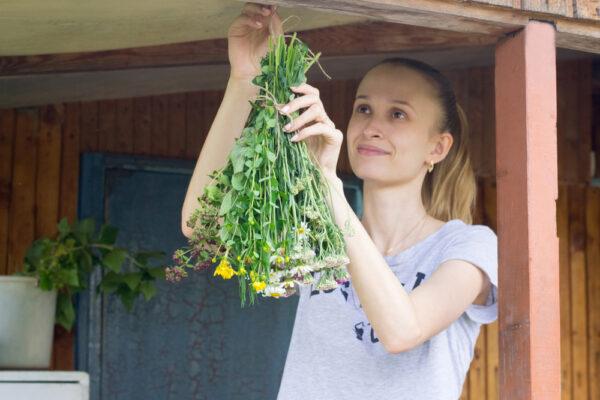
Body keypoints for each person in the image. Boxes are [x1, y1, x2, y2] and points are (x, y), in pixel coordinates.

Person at [181, 3, 498, 400]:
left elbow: (402, 330)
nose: (372, 127)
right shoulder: (316, 232)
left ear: (437, 147)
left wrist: (326, 182)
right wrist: (244, 81)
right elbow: (203, 224)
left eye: (398, 114)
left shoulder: (467, 246)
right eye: (363, 109)